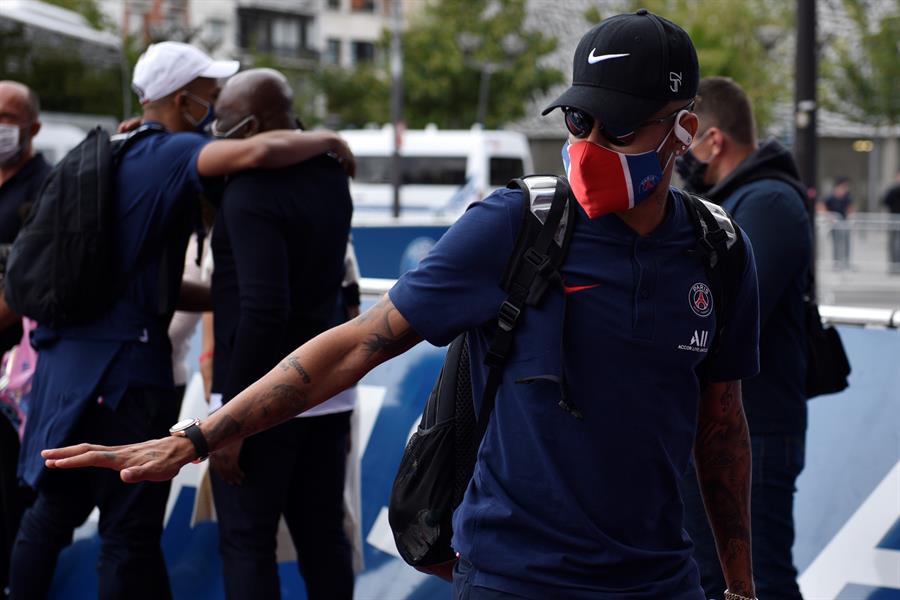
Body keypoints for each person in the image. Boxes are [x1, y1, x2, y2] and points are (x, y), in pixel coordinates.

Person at [41, 12, 761, 600]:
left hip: (662, 583)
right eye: (580, 121)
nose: (591, 147)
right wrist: (197, 437)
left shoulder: (718, 251)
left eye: (620, 129)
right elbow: (357, 344)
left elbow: (720, 425)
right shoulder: (516, 226)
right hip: (515, 581)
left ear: (684, 131)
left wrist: (739, 586)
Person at [9, 42, 354, 600]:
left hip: (76, 369)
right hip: (131, 375)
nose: (216, 111)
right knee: (129, 532)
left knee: (57, 515)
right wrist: (330, 139)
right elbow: (259, 153)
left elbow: (177, 289)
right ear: (180, 97)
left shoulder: (118, 148)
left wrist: (227, 314)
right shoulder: (182, 154)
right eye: (210, 97)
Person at [205, 68, 355, 600]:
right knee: (323, 538)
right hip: (328, 390)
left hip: (263, 397)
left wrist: (233, 420)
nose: (215, 127)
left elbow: (265, 309)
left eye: (224, 117)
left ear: (260, 121)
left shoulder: (250, 191)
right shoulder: (332, 171)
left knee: (247, 542)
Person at [676, 76, 812, 600]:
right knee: (713, 578)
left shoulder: (769, 203)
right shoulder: (737, 199)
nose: (679, 155)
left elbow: (727, 308)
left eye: (687, 139)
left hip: (756, 428)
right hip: (724, 422)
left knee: (759, 580)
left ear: (715, 140)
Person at [0, 80, 51, 596]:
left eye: (7, 118)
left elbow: (29, 286)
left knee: (11, 494)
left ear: (33, 127)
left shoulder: (46, 189)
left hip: (18, 379)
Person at [820, 176, 855, 269]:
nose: (846, 189)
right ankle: (836, 262)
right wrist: (829, 216)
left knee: (846, 243)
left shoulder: (847, 197)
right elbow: (822, 206)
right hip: (835, 224)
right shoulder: (830, 197)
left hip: (845, 224)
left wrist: (850, 217)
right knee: (836, 244)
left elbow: (850, 208)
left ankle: (846, 262)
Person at [882, 173, 900, 272]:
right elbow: (886, 201)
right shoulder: (892, 190)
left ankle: (896, 265)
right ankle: (893, 265)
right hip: (893, 218)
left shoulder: (892, 190)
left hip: (894, 218)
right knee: (893, 243)